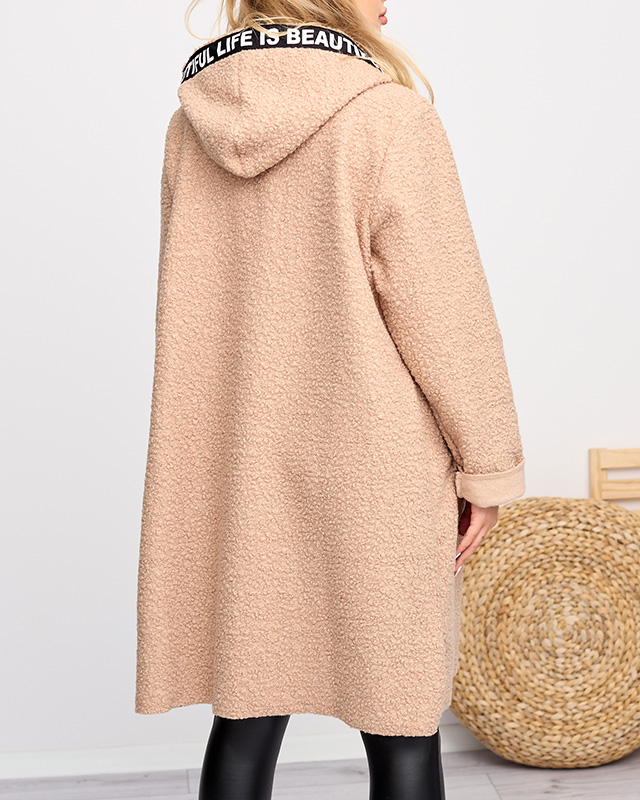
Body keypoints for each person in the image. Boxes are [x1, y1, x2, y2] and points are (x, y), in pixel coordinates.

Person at [135, 0, 526, 798]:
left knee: (244, 715)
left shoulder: (191, 127)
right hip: (375, 470)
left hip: (237, 472)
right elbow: (447, 317)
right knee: (402, 728)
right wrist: (487, 467)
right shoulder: (387, 120)